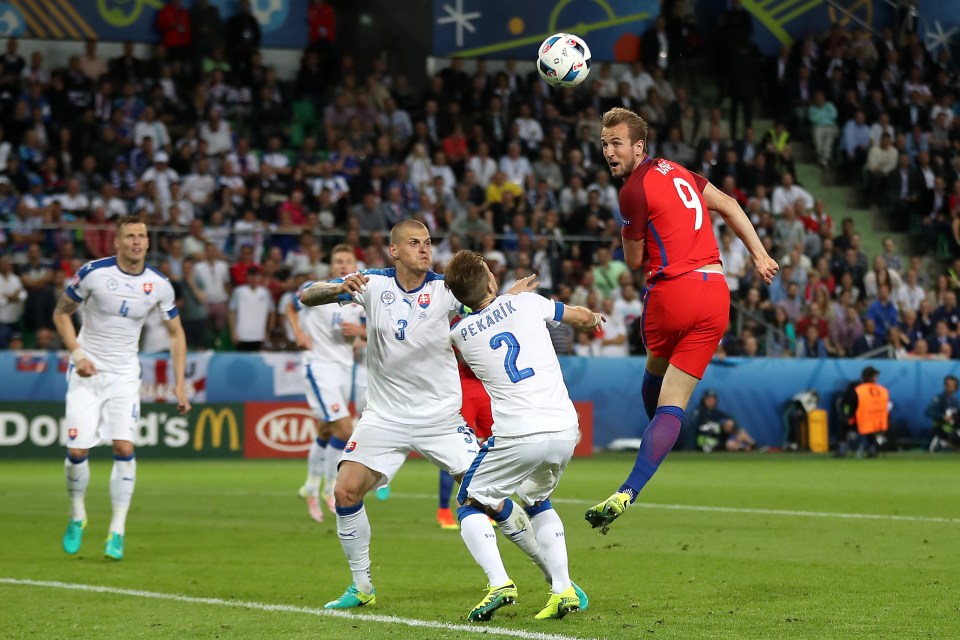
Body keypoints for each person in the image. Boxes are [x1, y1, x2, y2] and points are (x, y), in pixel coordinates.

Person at [298, 220, 539, 609]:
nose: (425, 250)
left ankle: (553, 575)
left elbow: (486, 306)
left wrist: (508, 296)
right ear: (394, 251)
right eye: (414, 243)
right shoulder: (371, 284)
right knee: (345, 490)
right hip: (385, 418)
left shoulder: (446, 289)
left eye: (428, 243)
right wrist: (338, 288)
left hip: (440, 420)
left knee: (489, 497)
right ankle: (362, 587)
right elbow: (308, 296)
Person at [584, 107, 778, 534]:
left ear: (639, 145)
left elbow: (634, 261)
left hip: (674, 292)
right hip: (716, 294)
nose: (608, 151)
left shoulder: (632, 190)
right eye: (603, 144)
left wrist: (626, 231)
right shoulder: (679, 171)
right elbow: (727, 204)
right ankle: (631, 488)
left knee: (656, 371)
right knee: (674, 400)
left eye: (616, 143)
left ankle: (655, 443)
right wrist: (760, 254)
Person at [444, 249, 598, 620]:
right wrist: (594, 318)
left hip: (517, 434)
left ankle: (499, 582)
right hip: (564, 429)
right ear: (492, 280)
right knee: (536, 499)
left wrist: (502, 297)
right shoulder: (528, 302)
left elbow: (482, 314)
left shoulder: (459, 335)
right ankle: (562, 590)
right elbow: (579, 317)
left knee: (470, 502)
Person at [52, 215, 190, 560]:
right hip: (86, 373)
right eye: (130, 236)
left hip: (125, 375)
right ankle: (77, 514)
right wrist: (78, 353)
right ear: (117, 242)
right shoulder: (94, 273)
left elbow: (176, 334)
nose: (137, 241)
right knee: (77, 452)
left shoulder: (159, 284)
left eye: (142, 235)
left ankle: (117, 530)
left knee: (125, 447)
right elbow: (60, 313)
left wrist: (180, 386)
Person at [286, 244, 365, 522]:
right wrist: (298, 332)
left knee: (325, 429)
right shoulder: (316, 288)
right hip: (318, 366)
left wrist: (360, 333)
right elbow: (290, 306)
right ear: (331, 266)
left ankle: (310, 486)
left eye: (348, 261)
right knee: (345, 430)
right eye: (338, 261)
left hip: (345, 368)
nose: (343, 265)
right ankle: (332, 488)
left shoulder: (361, 294)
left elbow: (375, 330)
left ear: (356, 264)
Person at [839, 366, 890, 458]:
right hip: (868, 421)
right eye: (874, 376)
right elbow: (847, 404)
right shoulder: (879, 390)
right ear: (868, 377)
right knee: (846, 423)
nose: (876, 379)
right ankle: (870, 449)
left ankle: (871, 448)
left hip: (867, 420)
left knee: (850, 423)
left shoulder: (868, 389)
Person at [690, 390, 756, 452]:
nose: (711, 401)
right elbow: (699, 428)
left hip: (718, 438)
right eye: (708, 399)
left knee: (736, 428)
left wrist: (733, 427)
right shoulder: (699, 411)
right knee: (730, 444)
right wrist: (719, 427)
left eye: (713, 399)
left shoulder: (715, 411)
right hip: (704, 441)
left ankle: (754, 444)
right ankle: (744, 448)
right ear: (703, 400)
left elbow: (731, 418)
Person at [924, 375, 959, 452]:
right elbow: (928, 412)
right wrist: (943, 417)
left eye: (953, 385)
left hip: (952, 428)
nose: (950, 387)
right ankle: (940, 443)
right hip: (940, 428)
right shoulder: (939, 398)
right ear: (945, 385)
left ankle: (944, 444)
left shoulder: (955, 400)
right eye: (948, 384)